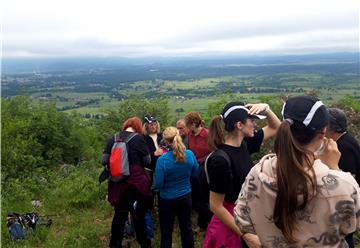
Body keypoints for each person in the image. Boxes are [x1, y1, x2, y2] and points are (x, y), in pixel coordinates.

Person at [234, 96, 360, 248]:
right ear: (323, 133)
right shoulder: (343, 185)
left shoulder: (258, 172)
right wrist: (334, 169)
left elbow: (241, 217)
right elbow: (352, 224)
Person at [204, 101, 280, 248]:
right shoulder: (220, 160)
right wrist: (245, 234)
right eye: (251, 120)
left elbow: (276, 127)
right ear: (239, 125)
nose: (255, 124)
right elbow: (216, 206)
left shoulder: (245, 144)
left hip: (246, 216)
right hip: (231, 223)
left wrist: (267, 109)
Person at [102, 117, 152, 248]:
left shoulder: (112, 138)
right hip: (135, 184)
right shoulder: (138, 138)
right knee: (138, 215)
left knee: (119, 214)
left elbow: (104, 160)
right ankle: (144, 243)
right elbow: (147, 161)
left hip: (117, 183)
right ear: (138, 127)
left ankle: (115, 243)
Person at [155, 127, 199, 248]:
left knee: (166, 232)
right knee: (186, 228)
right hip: (185, 196)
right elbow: (195, 172)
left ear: (165, 140)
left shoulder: (162, 160)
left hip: (167, 199)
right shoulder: (189, 154)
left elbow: (159, 184)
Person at [326, 107, 360, 248]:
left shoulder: (343, 147)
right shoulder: (345, 140)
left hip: (346, 206)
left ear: (330, 127)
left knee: (345, 239)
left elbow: (347, 179)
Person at [184, 111, 212, 230]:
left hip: (205, 170)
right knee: (195, 198)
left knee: (204, 198)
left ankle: (207, 223)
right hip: (193, 170)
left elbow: (213, 151)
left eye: (188, 124)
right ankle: (204, 222)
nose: (187, 127)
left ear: (194, 123)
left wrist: (200, 160)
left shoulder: (207, 134)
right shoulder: (189, 135)